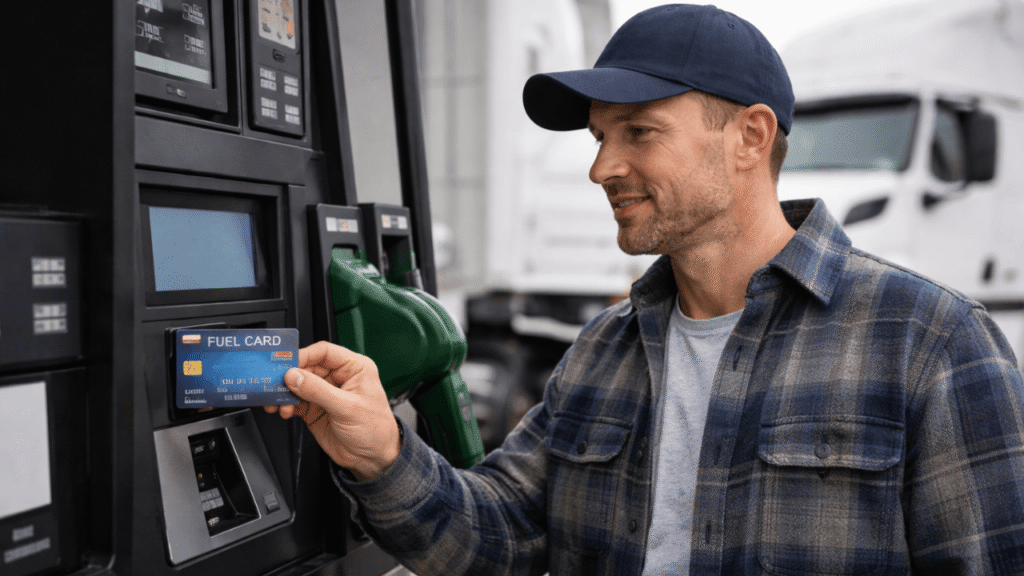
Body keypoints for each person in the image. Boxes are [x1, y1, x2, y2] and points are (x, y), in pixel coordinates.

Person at [266, 4, 1024, 574]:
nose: (601, 168)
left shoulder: (932, 343)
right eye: (601, 137)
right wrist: (383, 452)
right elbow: (496, 538)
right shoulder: (603, 351)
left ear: (751, 137)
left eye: (640, 132)